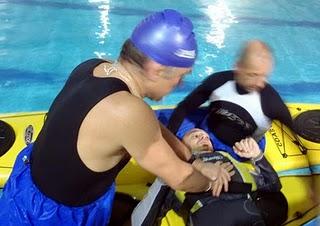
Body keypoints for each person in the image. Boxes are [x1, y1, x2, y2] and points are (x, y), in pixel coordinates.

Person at [0, 9, 233, 225]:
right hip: (56, 216)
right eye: (180, 76)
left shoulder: (93, 67)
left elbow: (150, 125)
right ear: (155, 69)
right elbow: (180, 179)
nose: (180, 84)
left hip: (25, 184)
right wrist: (210, 178)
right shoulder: (127, 113)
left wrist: (194, 160)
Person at [167, 40, 294, 161]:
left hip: (241, 151)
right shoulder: (218, 82)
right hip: (206, 130)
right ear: (238, 67)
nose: (260, 83)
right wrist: (169, 144)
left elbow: (295, 132)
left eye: (264, 76)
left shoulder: (272, 103)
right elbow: (183, 108)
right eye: (253, 75)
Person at [132, 128, 287, 226]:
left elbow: (273, 186)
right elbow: (141, 221)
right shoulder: (177, 171)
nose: (203, 138)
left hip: (248, 212)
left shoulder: (231, 161)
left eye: (206, 136)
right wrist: (168, 173)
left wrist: (257, 156)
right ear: (183, 146)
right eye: (195, 135)